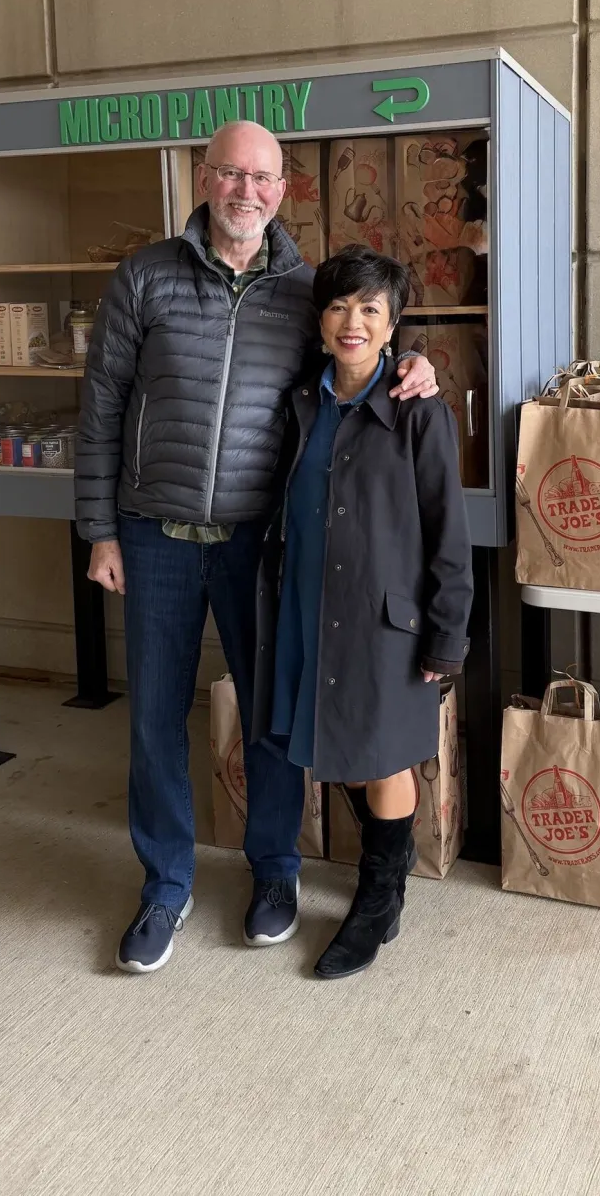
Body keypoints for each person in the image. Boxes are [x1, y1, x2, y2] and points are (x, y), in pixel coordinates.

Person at [75, 121, 438, 974]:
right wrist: (97, 529)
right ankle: (165, 882)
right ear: (205, 178)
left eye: (262, 177)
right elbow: (100, 409)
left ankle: (274, 873)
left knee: (273, 719)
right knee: (156, 720)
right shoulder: (146, 277)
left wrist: (419, 364)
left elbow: (362, 353)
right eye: (230, 173)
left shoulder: (307, 291)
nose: (245, 191)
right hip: (152, 535)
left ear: (284, 191)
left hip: (258, 542)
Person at [252, 245, 473, 979]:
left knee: (380, 759)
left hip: (386, 618)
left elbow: (448, 533)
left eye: (370, 309)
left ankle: (380, 898)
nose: (353, 322)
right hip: (309, 605)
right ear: (321, 319)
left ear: (392, 325)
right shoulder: (302, 401)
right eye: (341, 306)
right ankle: (394, 853)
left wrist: (447, 634)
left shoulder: (419, 412)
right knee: (332, 745)